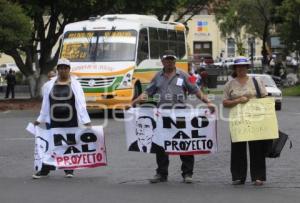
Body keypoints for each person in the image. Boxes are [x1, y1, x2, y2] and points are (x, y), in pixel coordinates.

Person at [132, 50, 215, 184]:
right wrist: (133, 103)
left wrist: (208, 102)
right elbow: (147, 92)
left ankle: (187, 173)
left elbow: (196, 90)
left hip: (180, 115)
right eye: (167, 60)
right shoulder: (157, 76)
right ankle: (161, 173)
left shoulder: (183, 75)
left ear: (175, 61)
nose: (169, 62)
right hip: (162, 116)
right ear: (162, 61)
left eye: (172, 60)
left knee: (184, 143)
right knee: (161, 145)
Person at [32, 58, 91, 179]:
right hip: (53, 120)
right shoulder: (49, 85)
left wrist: (86, 120)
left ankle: (69, 169)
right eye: (61, 68)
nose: (63, 70)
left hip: (71, 120)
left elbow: (81, 104)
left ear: (69, 70)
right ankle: (45, 170)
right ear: (57, 70)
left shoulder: (76, 84)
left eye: (65, 68)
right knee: (51, 145)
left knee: (69, 145)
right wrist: (40, 119)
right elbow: (45, 104)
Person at [222, 56, 268, 186]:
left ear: (247, 68)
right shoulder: (229, 84)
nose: (241, 69)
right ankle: (238, 176)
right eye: (238, 67)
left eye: (243, 66)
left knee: (257, 148)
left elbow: (265, 98)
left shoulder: (256, 81)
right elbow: (225, 103)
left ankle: (258, 177)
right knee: (237, 149)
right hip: (238, 121)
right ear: (235, 68)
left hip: (255, 119)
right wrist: (237, 100)